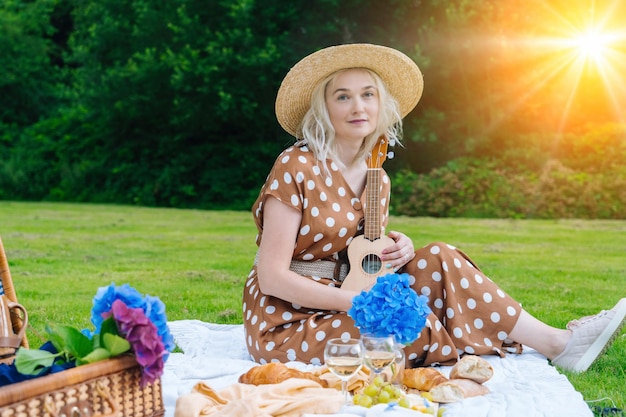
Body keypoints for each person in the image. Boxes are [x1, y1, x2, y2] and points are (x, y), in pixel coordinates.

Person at [242, 43, 626, 373]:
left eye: (368, 94)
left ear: (382, 103)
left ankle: (557, 343)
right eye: (342, 95)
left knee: (440, 256)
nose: (357, 106)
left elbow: (362, 258)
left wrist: (397, 248)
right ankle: (461, 335)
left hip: (351, 295)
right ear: (324, 107)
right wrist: (357, 302)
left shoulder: (379, 177)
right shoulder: (297, 165)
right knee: (401, 331)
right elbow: (272, 275)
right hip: (290, 316)